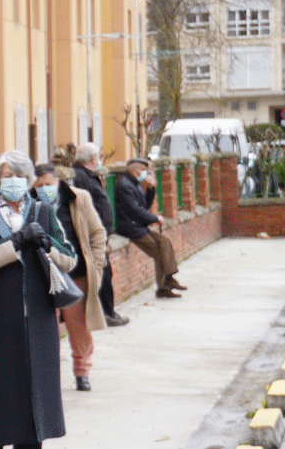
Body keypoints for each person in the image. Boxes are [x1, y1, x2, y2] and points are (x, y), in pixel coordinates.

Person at [0, 151, 76, 449]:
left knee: (36, 388)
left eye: (16, 174)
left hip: (40, 314)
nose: (10, 181)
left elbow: (69, 259)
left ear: (27, 179)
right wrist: (13, 241)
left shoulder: (42, 211)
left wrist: (46, 244)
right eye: (5, 175)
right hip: (1, 313)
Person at [33, 163, 107, 392]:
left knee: (78, 327)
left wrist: (97, 264)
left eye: (49, 184)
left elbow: (97, 232)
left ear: (58, 181)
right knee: (45, 330)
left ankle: (82, 372)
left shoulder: (78, 198)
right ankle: (46, 376)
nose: (45, 189)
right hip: (42, 277)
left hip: (75, 273)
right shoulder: (28, 204)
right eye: (40, 186)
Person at [115, 156, 186, 299]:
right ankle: (164, 286)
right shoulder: (124, 185)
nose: (146, 173)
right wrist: (155, 218)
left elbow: (145, 206)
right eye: (143, 170)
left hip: (139, 226)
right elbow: (135, 210)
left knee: (164, 242)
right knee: (158, 252)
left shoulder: (134, 184)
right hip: (131, 227)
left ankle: (168, 279)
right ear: (134, 170)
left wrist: (151, 188)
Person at [72, 143, 127, 326]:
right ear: (93, 159)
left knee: (104, 272)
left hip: (99, 234)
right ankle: (106, 313)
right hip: (92, 236)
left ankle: (107, 312)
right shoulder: (80, 176)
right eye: (98, 157)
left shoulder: (86, 175)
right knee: (102, 273)